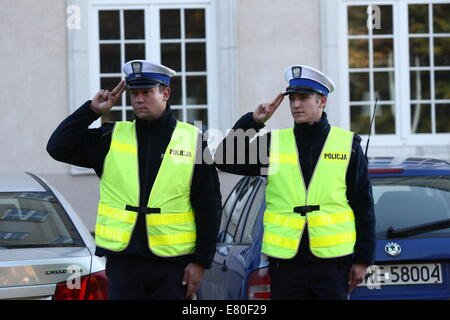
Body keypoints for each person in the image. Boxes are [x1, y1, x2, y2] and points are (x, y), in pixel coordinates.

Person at [47, 60, 222, 300]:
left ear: (166, 93)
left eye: (147, 92)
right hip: (123, 265)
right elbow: (58, 147)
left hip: (173, 267)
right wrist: (92, 110)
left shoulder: (193, 140)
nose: (139, 99)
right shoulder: (110, 137)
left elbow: (209, 205)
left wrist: (201, 261)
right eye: (134, 93)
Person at [214, 65, 376, 300]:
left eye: (304, 98)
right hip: (286, 265)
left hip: (332, 264)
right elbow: (224, 160)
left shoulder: (347, 145)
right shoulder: (274, 143)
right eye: (293, 99)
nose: (296, 104)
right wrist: (253, 122)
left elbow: (363, 205)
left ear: (322, 101)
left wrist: (363, 259)